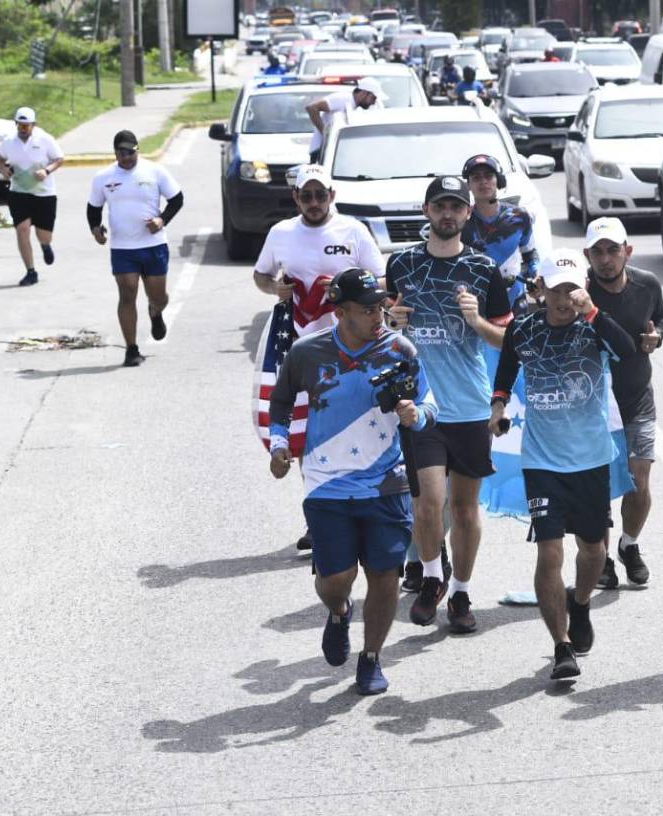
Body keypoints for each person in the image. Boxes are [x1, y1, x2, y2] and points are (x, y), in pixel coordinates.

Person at [268, 267, 437, 695]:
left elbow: (429, 403)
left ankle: (371, 658)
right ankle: (339, 611)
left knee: (384, 575)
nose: (378, 316)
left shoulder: (399, 349)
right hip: (327, 484)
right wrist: (279, 444)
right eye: (367, 310)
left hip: (387, 482)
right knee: (336, 581)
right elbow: (281, 401)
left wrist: (417, 415)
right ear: (340, 312)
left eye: (379, 307)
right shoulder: (308, 352)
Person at [489, 249, 636, 680]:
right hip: (542, 461)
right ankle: (561, 645)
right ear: (541, 290)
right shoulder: (523, 328)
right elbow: (506, 369)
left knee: (593, 551)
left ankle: (581, 602)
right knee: (549, 552)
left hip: (590, 459)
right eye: (556, 289)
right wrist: (498, 405)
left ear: (584, 289)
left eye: (572, 289)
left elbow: (628, 352)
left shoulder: (595, 326)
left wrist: (594, 314)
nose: (564, 298)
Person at [384, 176, 513, 634]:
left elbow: (506, 339)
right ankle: (432, 578)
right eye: (440, 206)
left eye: (456, 207)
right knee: (427, 504)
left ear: (467, 213)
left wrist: (476, 321)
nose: (447, 214)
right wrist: (391, 321)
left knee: (463, 509)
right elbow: (385, 330)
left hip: (470, 407)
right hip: (422, 406)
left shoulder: (483, 269)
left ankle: (460, 592)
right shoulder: (401, 264)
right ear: (426, 211)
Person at [253, 164, 384, 550]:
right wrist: (275, 288)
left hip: (353, 345)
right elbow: (261, 275)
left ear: (332, 196)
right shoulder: (281, 233)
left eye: (320, 195)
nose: (314, 202)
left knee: (354, 426)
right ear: (296, 198)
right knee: (308, 431)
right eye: (306, 196)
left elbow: (380, 279)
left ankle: (364, 507)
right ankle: (318, 517)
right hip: (302, 345)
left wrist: (345, 290)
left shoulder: (353, 231)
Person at [582, 217, 663, 589]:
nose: (605, 259)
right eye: (597, 252)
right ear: (587, 255)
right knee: (598, 487)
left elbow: (661, 317)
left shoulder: (647, 284)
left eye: (613, 250)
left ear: (627, 252)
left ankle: (629, 545)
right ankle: (601, 558)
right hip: (592, 407)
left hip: (637, 400)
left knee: (639, 481)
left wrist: (658, 334)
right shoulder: (579, 291)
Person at [87, 130, 183, 367]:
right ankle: (131, 349)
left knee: (159, 297)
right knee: (127, 293)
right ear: (115, 153)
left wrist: (161, 220)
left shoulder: (155, 171)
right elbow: (93, 209)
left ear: (137, 150)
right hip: (123, 248)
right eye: (123, 153)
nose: (128, 157)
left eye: (131, 152)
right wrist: (96, 229)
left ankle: (155, 311)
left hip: (153, 245)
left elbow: (177, 199)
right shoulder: (103, 177)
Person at [0, 107, 64, 287]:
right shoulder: (9, 141)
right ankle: (31, 272)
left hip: (44, 194)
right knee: (22, 229)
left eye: (27, 126)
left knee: (43, 235)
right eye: (20, 125)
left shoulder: (45, 139)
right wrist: (3, 169)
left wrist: (46, 171)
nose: (23, 129)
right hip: (19, 193)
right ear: (16, 124)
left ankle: (45, 246)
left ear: (34, 125)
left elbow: (59, 159)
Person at [460, 154, 538, 313]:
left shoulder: (520, 216)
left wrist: (538, 276)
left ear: (499, 181)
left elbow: (530, 255)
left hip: (515, 300)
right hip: (475, 303)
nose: (483, 182)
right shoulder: (461, 221)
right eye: (476, 177)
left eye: (489, 176)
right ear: (468, 185)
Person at [305, 76, 387, 164]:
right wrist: (325, 133)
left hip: (331, 152)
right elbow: (312, 107)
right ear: (363, 93)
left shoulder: (352, 105)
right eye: (373, 98)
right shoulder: (343, 99)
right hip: (320, 152)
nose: (374, 102)